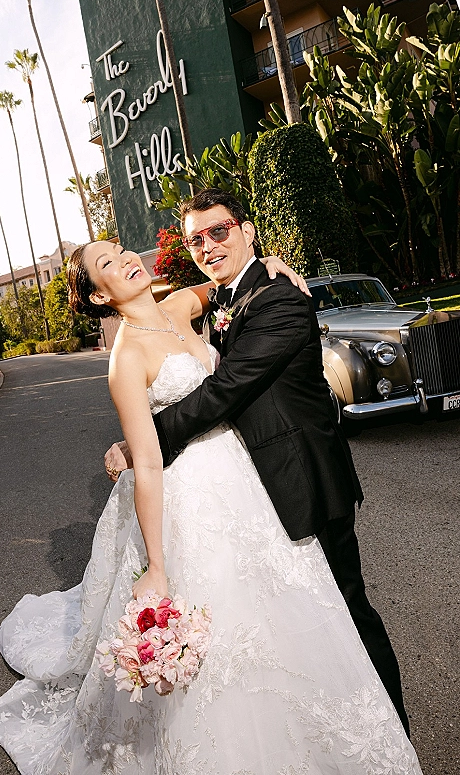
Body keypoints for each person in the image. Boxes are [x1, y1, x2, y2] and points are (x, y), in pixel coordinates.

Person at [0, 216, 423, 775]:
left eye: (120, 249)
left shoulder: (176, 310)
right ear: (100, 295)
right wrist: (158, 566)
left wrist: (268, 265)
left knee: (288, 608)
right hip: (192, 495)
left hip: (247, 481)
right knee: (224, 625)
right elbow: (147, 461)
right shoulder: (125, 358)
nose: (124, 259)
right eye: (107, 264)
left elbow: (212, 287)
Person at [106, 189, 411, 737]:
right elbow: (198, 304)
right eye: (196, 238)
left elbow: (226, 389)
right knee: (298, 620)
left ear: (247, 230)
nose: (208, 245)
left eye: (219, 231)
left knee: (347, 610)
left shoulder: (280, 300)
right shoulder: (226, 294)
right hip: (252, 486)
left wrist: (141, 442)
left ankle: (391, 728)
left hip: (306, 480)